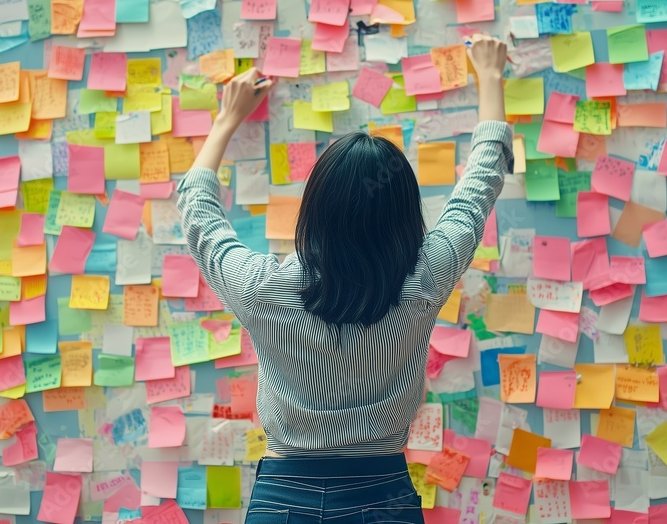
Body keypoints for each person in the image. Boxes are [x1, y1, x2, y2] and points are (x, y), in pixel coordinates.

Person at [176, 34, 513, 523]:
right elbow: (482, 178)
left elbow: (197, 211)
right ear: (404, 216)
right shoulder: (425, 280)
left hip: (282, 500)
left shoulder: (259, 289)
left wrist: (227, 119)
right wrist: (491, 76)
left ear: (315, 210)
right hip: (384, 500)